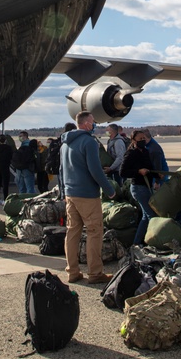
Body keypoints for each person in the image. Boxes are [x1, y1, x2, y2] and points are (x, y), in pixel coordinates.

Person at [60, 111, 115, 285]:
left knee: (72, 232)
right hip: (87, 195)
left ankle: (72, 271)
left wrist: (63, 192)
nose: (94, 125)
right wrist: (109, 190)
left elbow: (61, 171)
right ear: (85, 124)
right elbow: (95, 170)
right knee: (94, 232)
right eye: (92, 122)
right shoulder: (89, 142)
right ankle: (95, 272)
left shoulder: (64, 144)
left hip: (70, 194)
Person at [119, 129, 156, 246]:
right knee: (151, 215)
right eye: (140, 139)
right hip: (138, 188)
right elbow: (122, 172)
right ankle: (153, 241)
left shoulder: (145, 152)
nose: (143, 141)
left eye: (144, 139)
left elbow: (149, 168)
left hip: (147, 186)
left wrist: (156, 175)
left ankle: (137, 243)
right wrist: (138, 171)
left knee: (146, 216)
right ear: (133, 140)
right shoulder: (131, 154)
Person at [0, 133, 13, 204]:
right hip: (5, 166)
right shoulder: (8, 148)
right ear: (5, 140)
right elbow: (11, 156)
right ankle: (5, 199)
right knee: (5, 184)